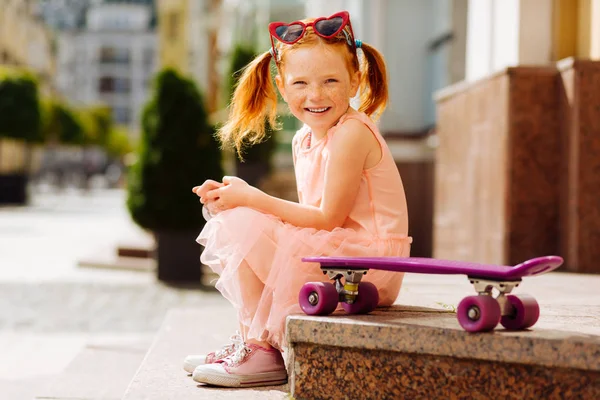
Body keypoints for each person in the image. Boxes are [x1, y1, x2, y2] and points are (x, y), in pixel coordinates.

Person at [186, 10, 411, 388]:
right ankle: (252, 343)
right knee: (236, 219)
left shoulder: (351, 133)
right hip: (339, 257)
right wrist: (235, 199)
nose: (316, 95)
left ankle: (262, 350)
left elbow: (326, 219)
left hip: (370, 267)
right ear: (282, 86)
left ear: (355, 80)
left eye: (330, 81)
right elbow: (306, 223)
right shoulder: (303, 140)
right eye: (301, 83)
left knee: (244, 220)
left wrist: (253, 199)